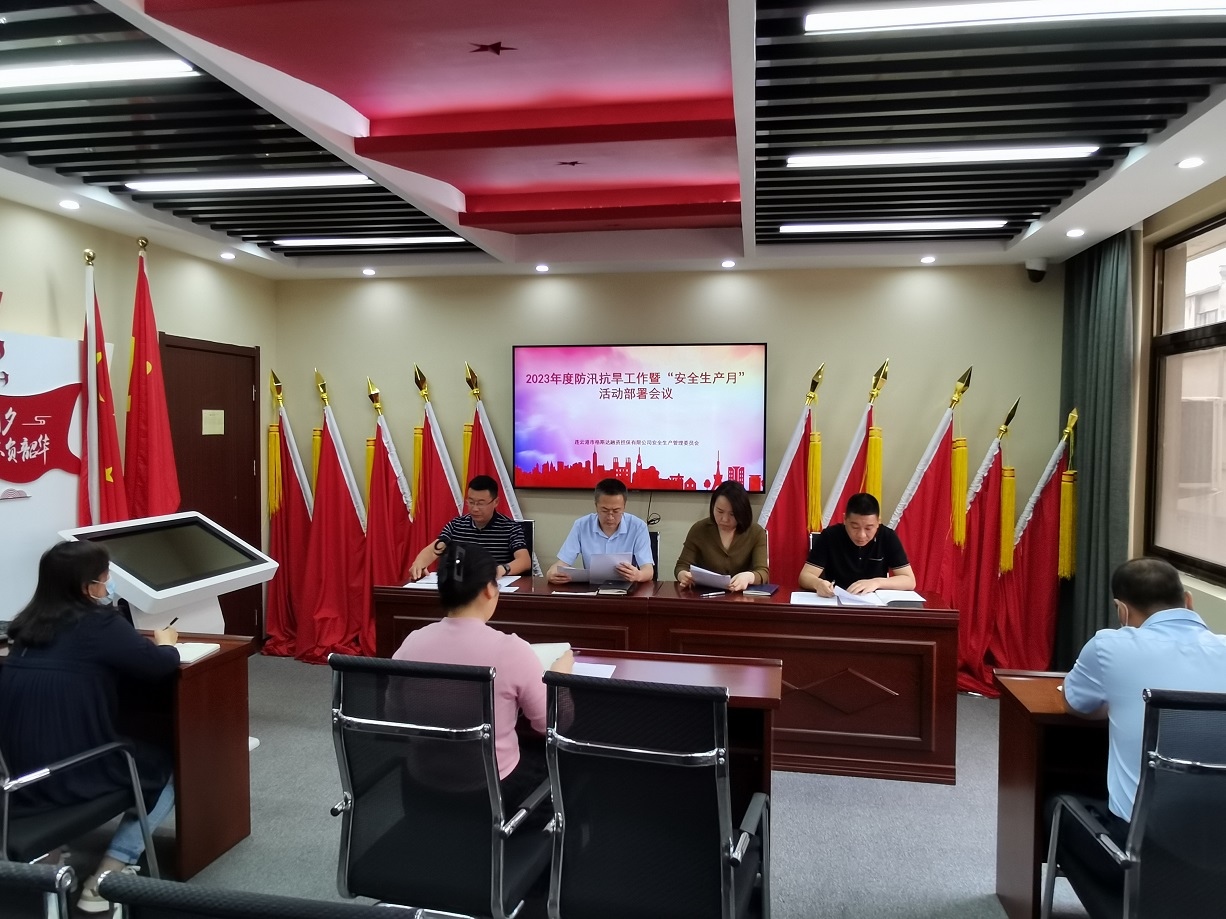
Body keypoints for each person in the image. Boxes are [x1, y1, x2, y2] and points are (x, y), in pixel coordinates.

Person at [0, 541, 181, 914]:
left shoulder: (25, 625)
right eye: (104, 577)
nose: (108, 583)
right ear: (88, 587)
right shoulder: (99, 623)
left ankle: (50, 855)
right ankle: (108, 875)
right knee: (175, 762)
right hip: (71, 772)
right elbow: (156, 666)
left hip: (16, 773)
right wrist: (167, 645)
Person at [1052, 558, 1226, 894]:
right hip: (1220, 845)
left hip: (1142, 852)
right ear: (1188, 600)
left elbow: (1075, 704)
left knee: (1056, 807)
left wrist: (1121, 703)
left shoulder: (1109, 645)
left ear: (1121, 610)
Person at [394, 542, 572, 821]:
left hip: (420, 789)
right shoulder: (510, 649)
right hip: (495, 794)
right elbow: (553, 724)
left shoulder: (410, 643)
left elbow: (395, 716)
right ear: (490, 589)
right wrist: (559, 677)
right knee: (565, 767)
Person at [408, 474, 531, 581]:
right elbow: (435, 549)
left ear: (496, 502)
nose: (475, 508)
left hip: (494, 587)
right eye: (471, 502)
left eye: (481, 503)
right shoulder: (456, 525)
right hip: (462, 587)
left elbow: (524, 561)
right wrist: (419, 563)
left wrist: (503, 569)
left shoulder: (510, 528)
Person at [798, 492, 915, 596]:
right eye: (855, 527)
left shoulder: (887, 537)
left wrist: (876, 582)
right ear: (845, 519)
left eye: (868, 528)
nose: (861, 535)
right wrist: (818, 584)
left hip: (874, 603)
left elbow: (909, 580)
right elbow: (805, 576)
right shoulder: (830, 535)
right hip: (835, 600)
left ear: (878, 522)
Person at [547, 478, 654, 584]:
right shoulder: (581, 525)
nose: (610, 517)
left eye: (616, 511)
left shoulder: (638, 527)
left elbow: (648, 570)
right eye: (604, 510)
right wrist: (551, 573)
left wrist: (638, 575)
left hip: (626, 588)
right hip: (592, 589)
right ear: (596, 506)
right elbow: (562, 563)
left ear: (624, 507)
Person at [674, 481, 769, 592]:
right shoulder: (699, 529)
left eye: (732, 514)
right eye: (720, 511)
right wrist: (683, 575)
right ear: (713, 507)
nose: (724, 519)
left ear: (742, 512)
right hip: (704, 596)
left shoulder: (756, 532)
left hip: (742, 597)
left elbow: (763, 572)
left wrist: (749, 577)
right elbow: (682, 566)